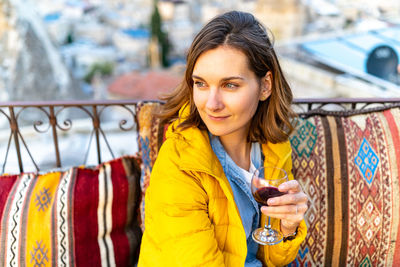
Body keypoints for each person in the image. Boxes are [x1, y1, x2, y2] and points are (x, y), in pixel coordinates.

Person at [138, 11, 308, 267]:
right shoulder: (180, 164)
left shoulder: (273, 147)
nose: (212, 104)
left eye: (230, 85)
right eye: (201, 84)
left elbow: (270, 257)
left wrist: (287, 227)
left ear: (265, 86)